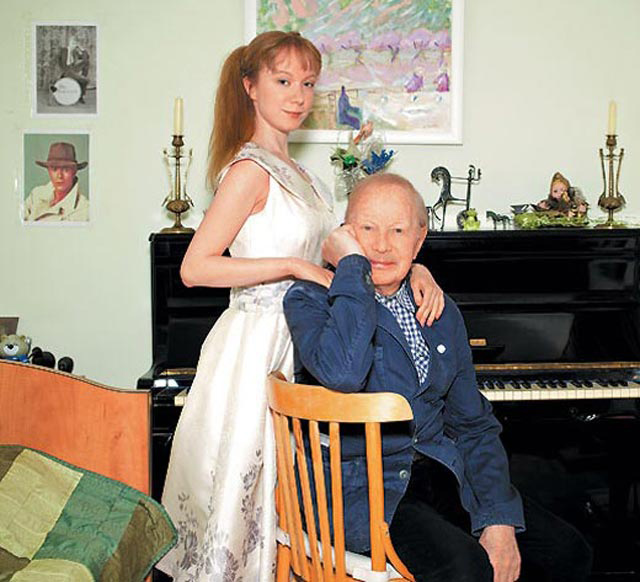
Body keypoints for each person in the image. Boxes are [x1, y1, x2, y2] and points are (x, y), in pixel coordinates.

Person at [157, 32, 445, 581]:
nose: (298, 95)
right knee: (246, 500)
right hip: (257, 345)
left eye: (308, 83)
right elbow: (196, 268)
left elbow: (351, 255)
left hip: (306, 335)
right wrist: (292, 266)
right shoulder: (249, 170)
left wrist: (418, 270)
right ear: (250, 87)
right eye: (284, 81)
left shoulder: (306, 178)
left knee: (290, 503)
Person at [283, 173, 593, 582]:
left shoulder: (437, 309)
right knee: (466, 568)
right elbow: (344, 373)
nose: (381, 244)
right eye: (367, 229)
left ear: (419, 239)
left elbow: (473, 424)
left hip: (440, 471)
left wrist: (497, 518)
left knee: (567, 553)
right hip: (363, 492)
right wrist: (353, 268)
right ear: (344, 234)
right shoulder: (309, 299)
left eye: (398, 231)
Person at [24, 142, 89, 222]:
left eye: (66, 169)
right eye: (54, 169)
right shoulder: (36, 195)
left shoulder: (84, 210)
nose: (59, 176)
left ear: (74, 171)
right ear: (48, 170)